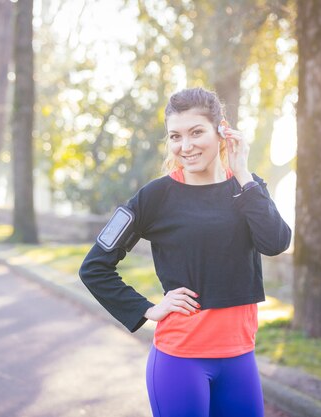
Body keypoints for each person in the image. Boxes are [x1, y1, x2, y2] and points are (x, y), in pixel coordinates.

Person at [79, 87, 291, 417]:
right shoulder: (155, 197)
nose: (186, 146)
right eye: (175, 136)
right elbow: (94, 267)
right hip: (180, 359)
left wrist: (244, 172)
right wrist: (147, 308)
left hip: (240, 356)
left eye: (196, 132)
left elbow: (275, 243)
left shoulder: (248, 187)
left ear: (221, 130)